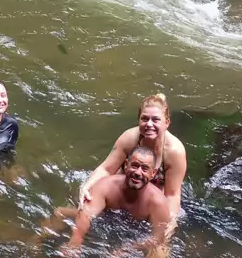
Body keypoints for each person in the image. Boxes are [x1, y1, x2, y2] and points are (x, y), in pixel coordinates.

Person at [78, 93, 186, 229]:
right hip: (124, 189)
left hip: (152, 198)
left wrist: (168, 223)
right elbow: (107, 169)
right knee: (83, 207)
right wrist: (86, 187)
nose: (149, 124)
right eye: (145, 119)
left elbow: (172, 194)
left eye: (156, 120)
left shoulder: (174, 152)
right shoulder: (129, 139)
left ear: (167, 123)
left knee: (162, 235)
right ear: (139, 120)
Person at [62, 146, 171, 258]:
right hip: (106, 220)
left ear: (153, 173)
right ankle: (41, 242)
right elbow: (85, 215)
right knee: (60, 213)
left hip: (138, 233)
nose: (138, 173)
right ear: (126, 165)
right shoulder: (106, 186)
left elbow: (157, 238)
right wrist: (76, 240)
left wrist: (129, 249)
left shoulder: (158, 203)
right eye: (134, 166)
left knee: (160, 252)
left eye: (145, 169)